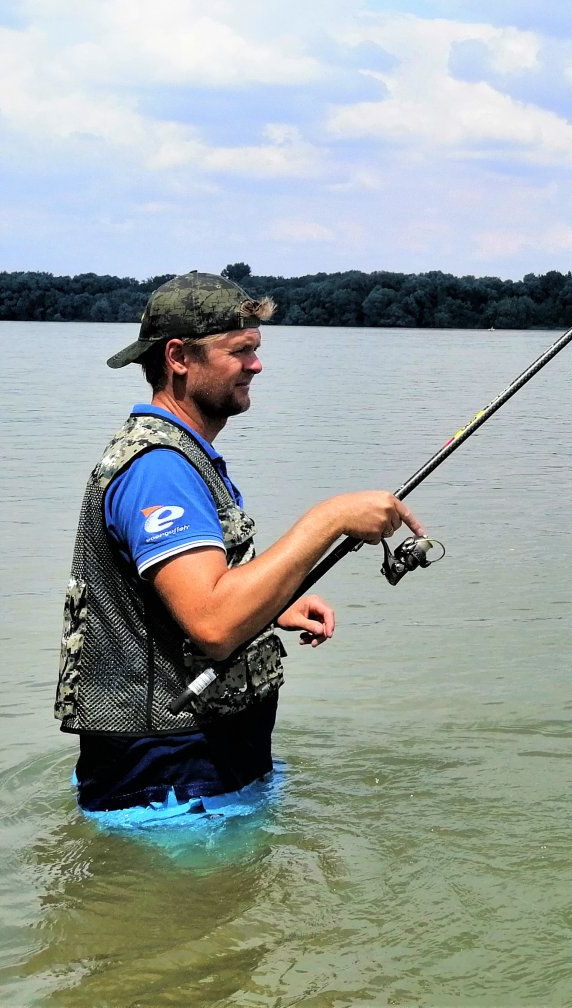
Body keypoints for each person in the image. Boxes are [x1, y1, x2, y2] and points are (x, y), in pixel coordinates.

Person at [55, 270, 422, 813]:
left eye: (257, 349)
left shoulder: (180, 453)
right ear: (178, 357)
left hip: (196, 770)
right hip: (169, 785)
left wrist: (275, 605)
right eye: (241, 350)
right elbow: (213, 622)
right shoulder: (160, 469)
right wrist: (329, 520)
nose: (257, 365)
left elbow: (185, 598)